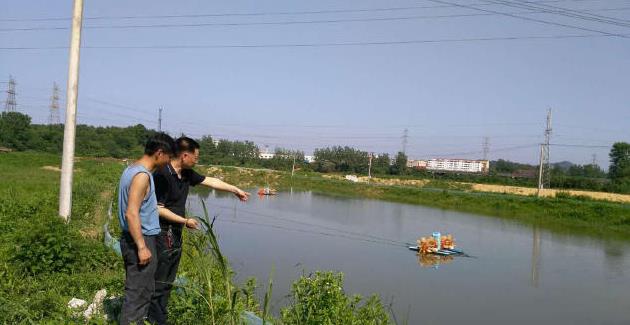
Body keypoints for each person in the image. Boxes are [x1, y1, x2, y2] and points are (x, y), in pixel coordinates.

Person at [148, 136, 249, 324]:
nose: (197, 160)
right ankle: (155, 319)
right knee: (161, 279)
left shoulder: (185, 174)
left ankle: (160, 316)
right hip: (162, 233)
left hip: (175, 232)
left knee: (169, 277)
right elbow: (158, 208)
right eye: (196, 156)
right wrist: (185, 220)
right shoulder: (162, 174)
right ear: (185, 155)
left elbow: (211, 181)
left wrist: (235, 190)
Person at [118, 133, 176, 325]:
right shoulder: (141, 176)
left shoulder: (131, 169)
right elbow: (132, 214)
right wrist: (142, 247)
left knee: (143, 289)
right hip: (140, 239)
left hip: (135, 237)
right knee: (137, 294)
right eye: (168, 157)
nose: (168, 162)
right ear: (160, 153)